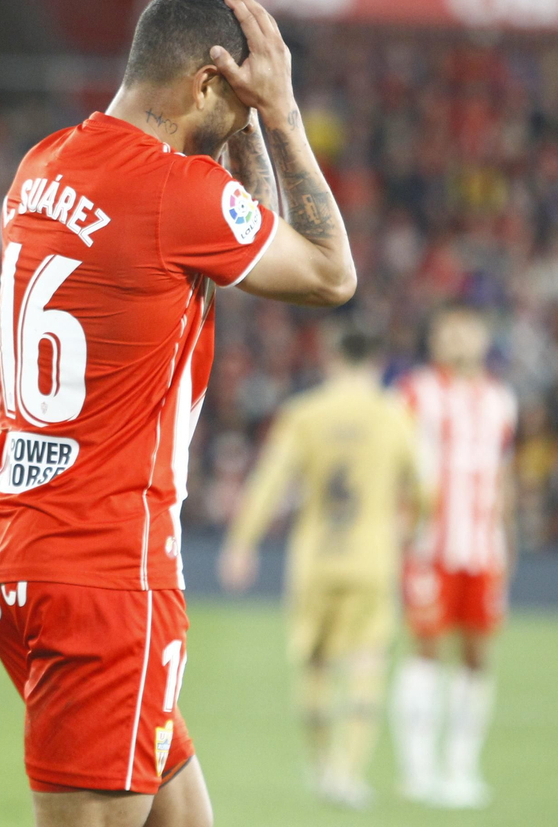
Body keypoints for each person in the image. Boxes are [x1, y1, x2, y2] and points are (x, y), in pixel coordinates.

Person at [0, 0, 356, 827]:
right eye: (237, 97)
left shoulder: (44, 163)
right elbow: (330, 274)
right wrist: (281, 115)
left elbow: (241, 229)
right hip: (108, 572)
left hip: (15, 547)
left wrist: (239, 125)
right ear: (208, 83)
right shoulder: (174, 193)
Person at [218, 324, 422, 809]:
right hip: (371, 557)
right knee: (368, 661)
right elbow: (425, 486)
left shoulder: (305, 413)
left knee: (314, 666)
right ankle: (348, 774)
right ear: (376, 362)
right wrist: (411, 529)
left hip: (315, 558)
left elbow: (270, 481)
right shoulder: (394, 414)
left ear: (331, 359)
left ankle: (320, 764)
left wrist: (241, 544)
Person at [390, 306, 517, 809]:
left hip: (484, 546)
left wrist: (510, 542)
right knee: (424, 647)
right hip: (429, 543)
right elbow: (396, 466)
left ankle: (463, 767)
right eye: (449, 331)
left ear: (484, 338)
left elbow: (505, 476)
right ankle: (417, 768)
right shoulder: (414, 392)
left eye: (468, 330)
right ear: (435, 339)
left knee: (477, 654)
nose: (459, 339)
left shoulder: (501, 400)